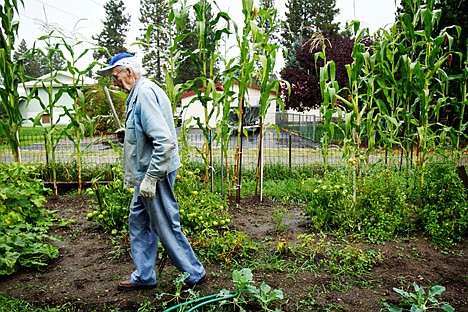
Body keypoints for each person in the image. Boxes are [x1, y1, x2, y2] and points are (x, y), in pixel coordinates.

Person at [98, 52, 206, 291]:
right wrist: (129, 135)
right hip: (146, 172)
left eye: (116, 76)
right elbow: (148, 130)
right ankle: (145, 275)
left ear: (129, 71)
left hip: (155, 171)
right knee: (138, 220)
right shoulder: (140, 92)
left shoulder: (144, 93)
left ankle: (194, 273)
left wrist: (151, 178)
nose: (114, 82)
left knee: (164, 223)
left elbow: (164, 141)